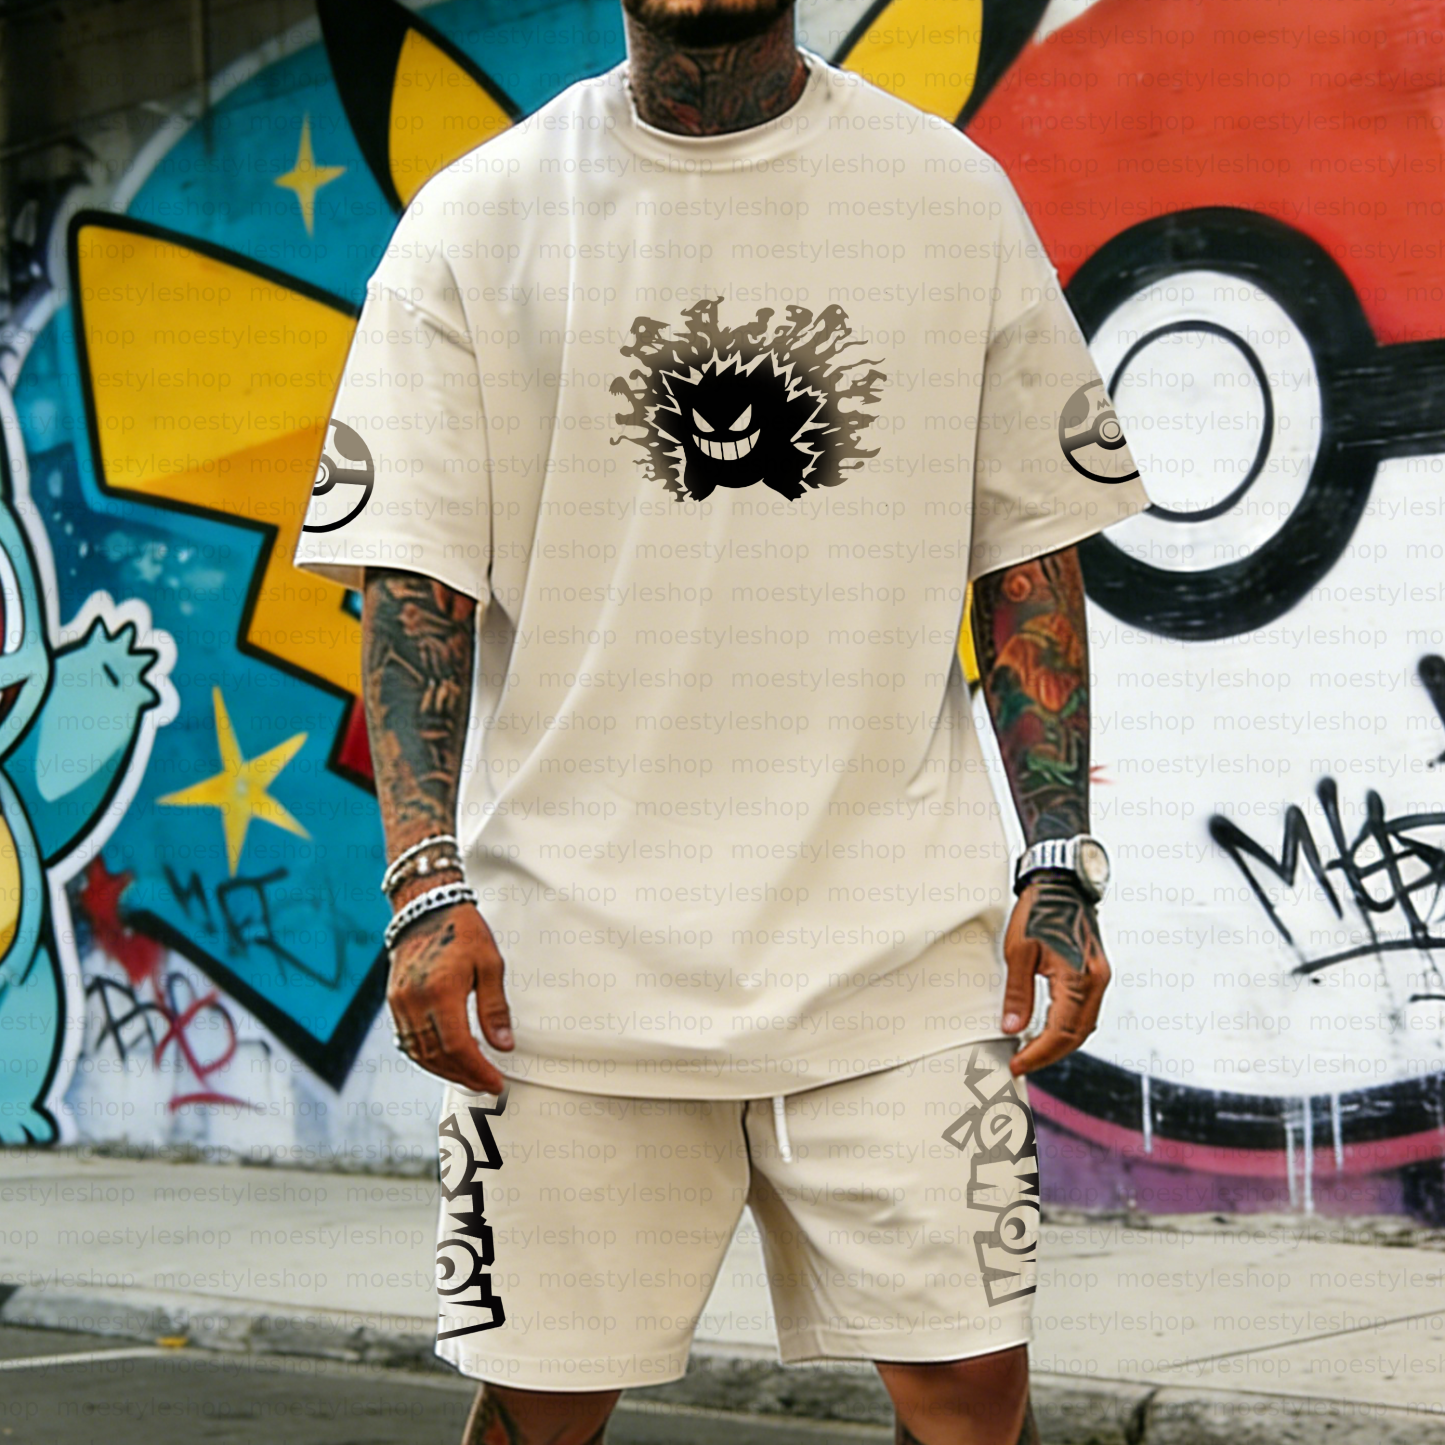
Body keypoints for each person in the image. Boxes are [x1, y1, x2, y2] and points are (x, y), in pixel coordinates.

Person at [294, 0, 1152, 1439]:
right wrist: (425, 887)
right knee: (542, 1407)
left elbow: (1029, 559)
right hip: (566, 976)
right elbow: (412, 587)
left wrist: (1059, 864)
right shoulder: (477, 220)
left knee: (970, 1392)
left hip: (896, 959)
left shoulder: (946, 197)